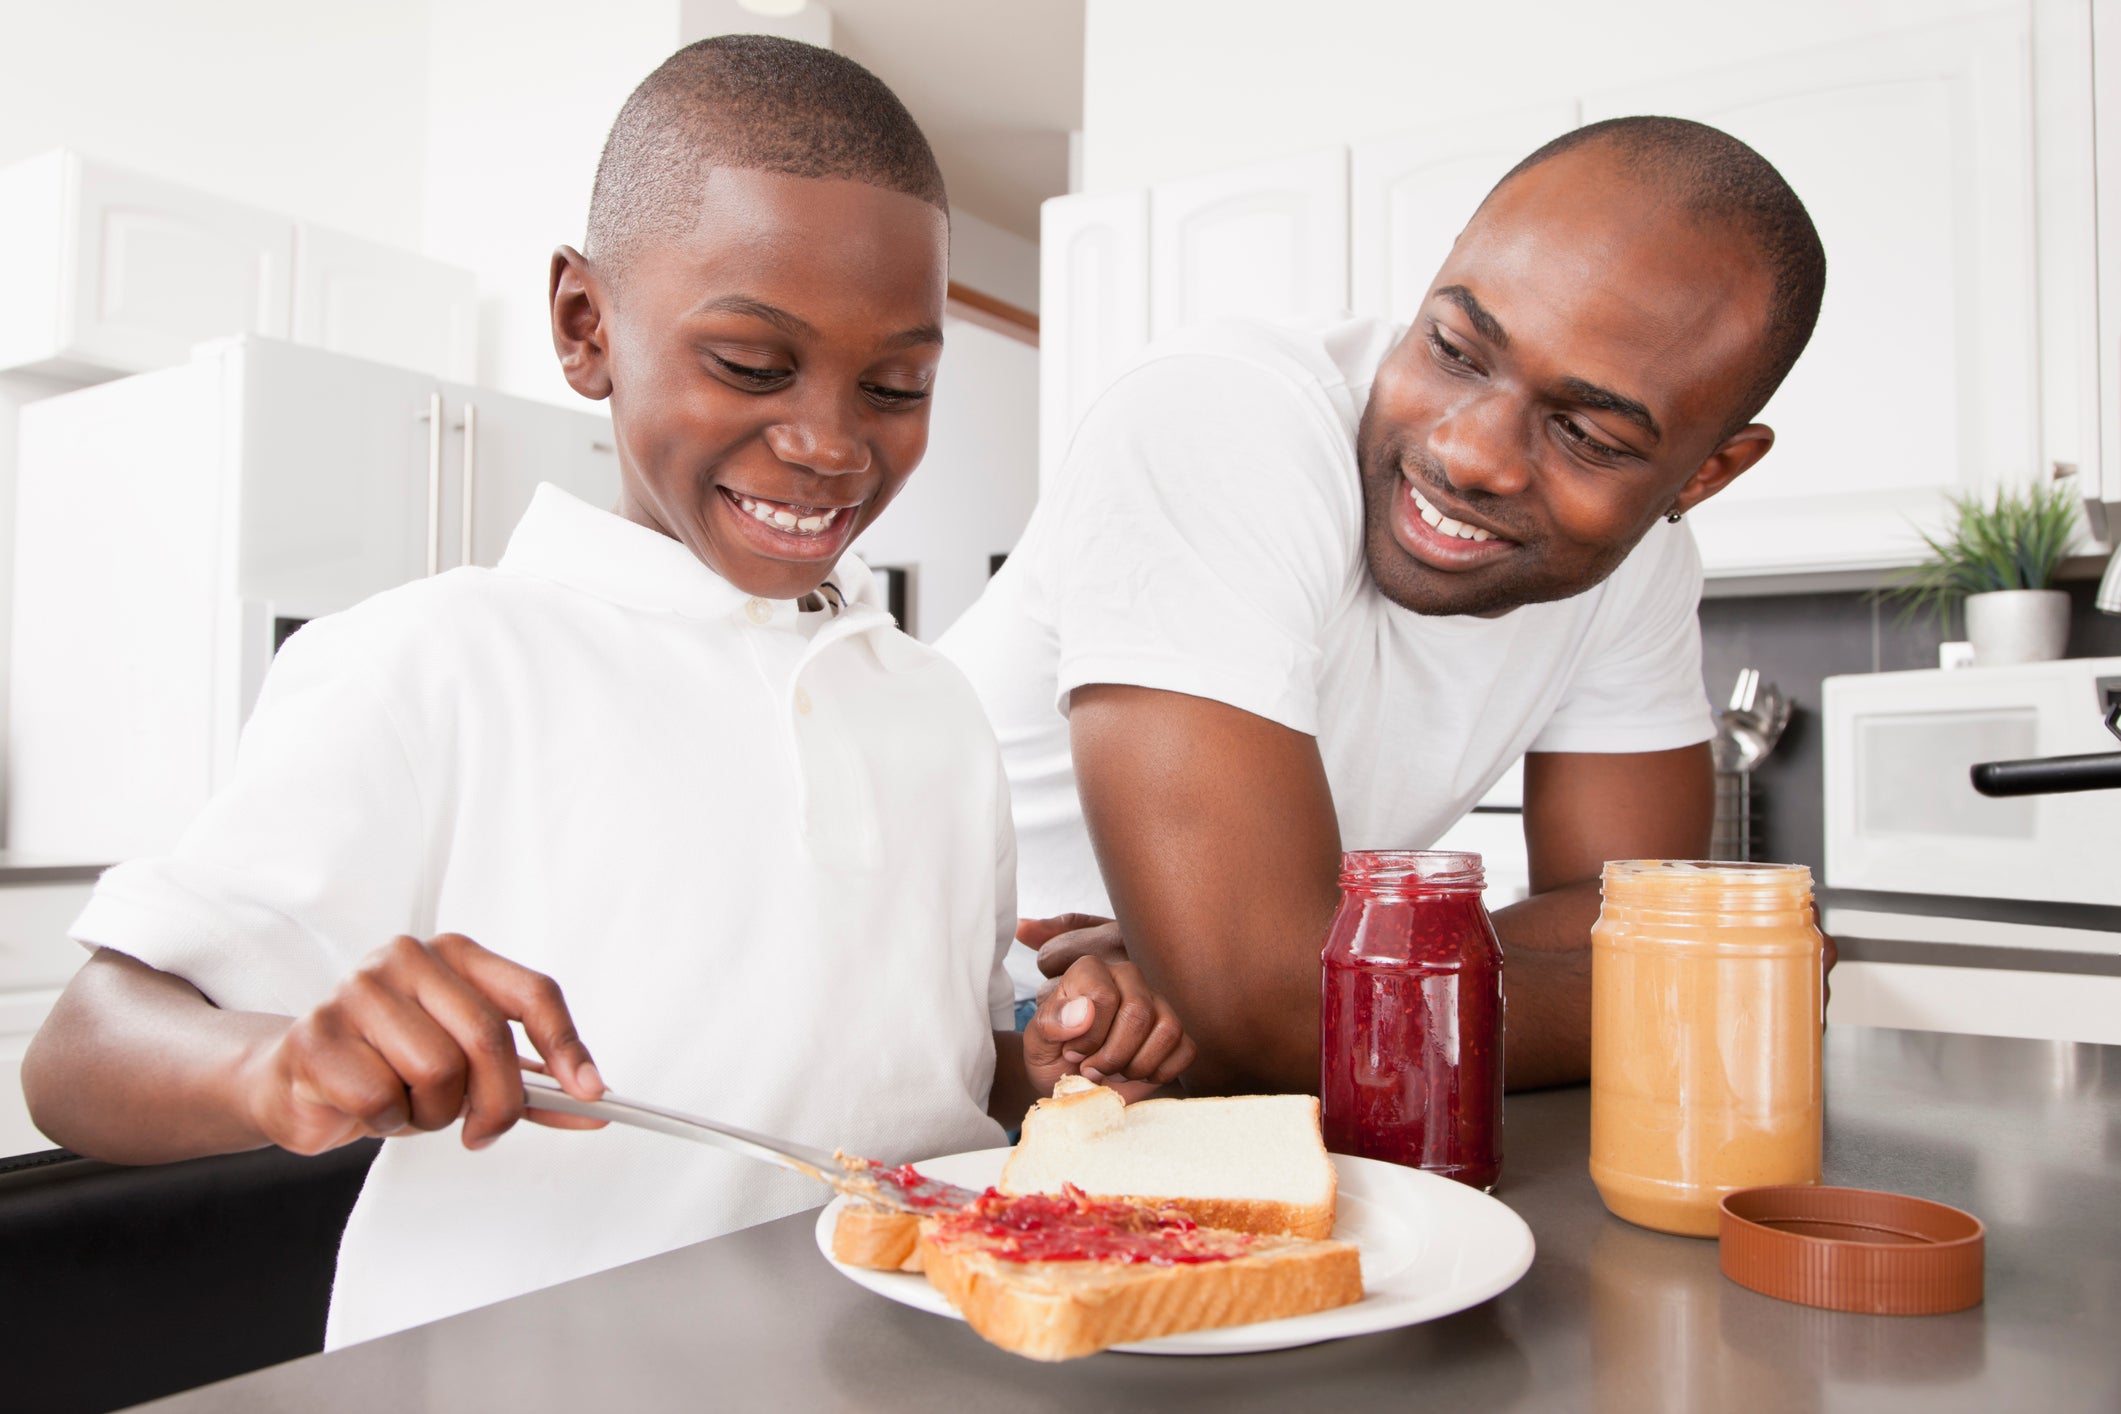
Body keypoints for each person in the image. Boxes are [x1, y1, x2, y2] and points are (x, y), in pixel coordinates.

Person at [21, 36, 1192, 1347]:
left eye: (895, 385)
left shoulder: (936, 707)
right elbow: (79, 1054)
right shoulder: (435, 661)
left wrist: (1060, 1054)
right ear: (587, 326)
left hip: (884, 1363)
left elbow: (954, 1075)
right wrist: (274, 1063)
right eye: (751, 363)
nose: (829, 442)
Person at [938, 117, 1828, 1096]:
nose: (1470, 453)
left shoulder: (1645, 563)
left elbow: (1626, 916)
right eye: (1454, 349)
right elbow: (1267, 1013)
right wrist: (1713, 993)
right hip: (966, 1053)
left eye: (1585, 434)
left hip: (1174, 1094)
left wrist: (1329, 972)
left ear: (1704, 474)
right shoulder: (1221, 414)